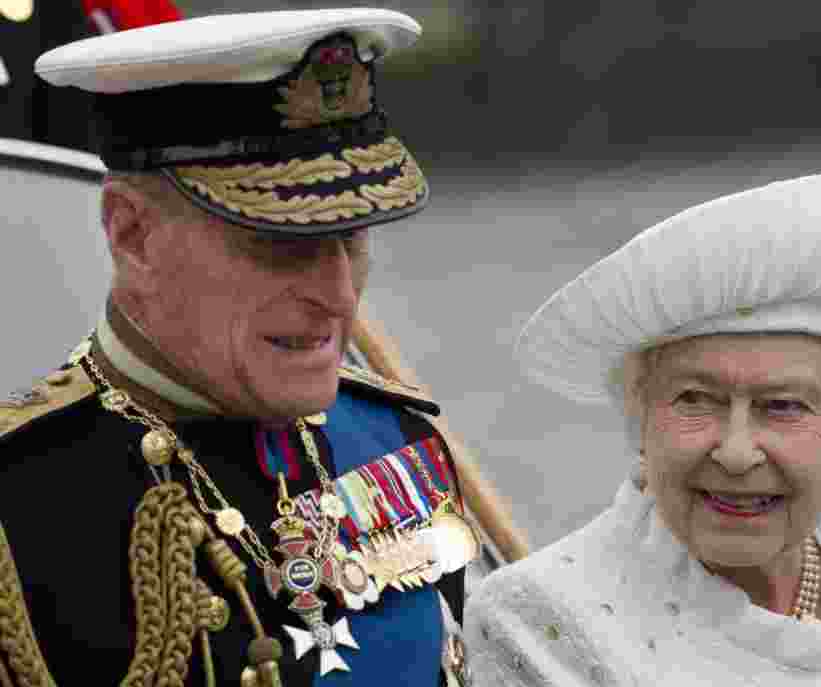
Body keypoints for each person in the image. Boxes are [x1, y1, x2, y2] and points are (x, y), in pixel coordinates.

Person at [0, 9, 479, 687]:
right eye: (284, 243)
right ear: (132, 234)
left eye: (352, 237)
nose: (339, 293)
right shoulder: (21, 500)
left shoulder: (399, 442)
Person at [465, 167, 821, 686]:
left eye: (784, 406)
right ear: (641, 424)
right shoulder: (539, 616)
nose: (737, 453)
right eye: (696, 399)